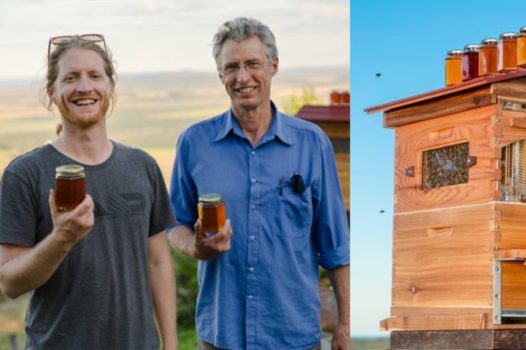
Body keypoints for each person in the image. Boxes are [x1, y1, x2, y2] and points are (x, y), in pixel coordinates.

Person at [168, 17, 350, 350]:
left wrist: (345, 327)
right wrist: (195, 247)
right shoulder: (194, 143)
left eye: (253, 64)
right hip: (220, 335)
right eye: (232, 67)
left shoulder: (312, 144)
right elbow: (174, 225)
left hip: (293, 335)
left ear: (274, 65)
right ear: (220, 74)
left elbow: (335, 245)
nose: (243, 77)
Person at [0, 34, 177, 349]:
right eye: (70, 78)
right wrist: (61, 239)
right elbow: (10, 281)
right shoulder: (25, 174)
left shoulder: (142, 166)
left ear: (111, 87)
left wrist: (171, 343)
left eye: (95, 75)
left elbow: (158, 263)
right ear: (51, 93)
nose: (84, 87)